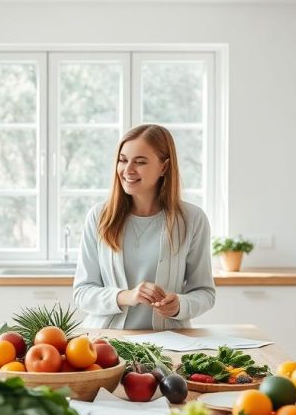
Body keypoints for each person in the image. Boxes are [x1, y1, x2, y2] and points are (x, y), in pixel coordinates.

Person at [73, 124, 215, 329]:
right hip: (107, 343)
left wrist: (180, 306)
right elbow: (82, 292)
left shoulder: (192, 219)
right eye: (123, 160)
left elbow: (205, 293)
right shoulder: (99, 216)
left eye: (140, 162)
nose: (128, 170)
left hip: (169, 343)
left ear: (164, 167)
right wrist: (126, 296)